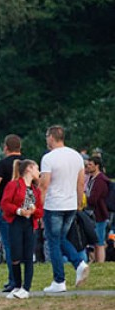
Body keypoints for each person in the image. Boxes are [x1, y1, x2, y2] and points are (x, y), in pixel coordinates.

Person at [39, 125, 89, 293]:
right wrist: (79, 201)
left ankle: (59, 280)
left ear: (51, 137)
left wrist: (40, 206)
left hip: (54, 204)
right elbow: (81, 182)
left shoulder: (48, 158)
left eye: (47, 136)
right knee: (60, 238)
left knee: (53, 241)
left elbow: (44, 185)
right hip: (70, 203)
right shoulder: (76, 156)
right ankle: (78, 263)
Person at [0, 159, 44, 299]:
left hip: (29, 224)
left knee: (28, 256)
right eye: (37, 169)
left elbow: (40, 211)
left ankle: (26, 287)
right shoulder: (13, 185)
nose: (39, 172)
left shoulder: (35, 190)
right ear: (29, 169)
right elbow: (5, 203)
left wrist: (34, 211)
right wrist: (19, 211)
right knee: (15, 255)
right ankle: (17, 285)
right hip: (16, 222)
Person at [0, 134, 26, 292]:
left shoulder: (2, 164)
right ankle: (24, 279)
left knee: (9, 246)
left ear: (6, 148)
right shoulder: (26, 163)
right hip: (25, 208)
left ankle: (14, 280)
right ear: (20, 148)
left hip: (7, 209)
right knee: (25, 244)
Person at [84, 157, 110, 263]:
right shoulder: (92, 178)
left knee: (99, 241)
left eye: (90, 165)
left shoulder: (100, 180)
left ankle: (100, 262)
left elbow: (93, 198)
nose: (87, 167)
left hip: (99, 214)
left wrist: (84, 198)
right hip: (93, 214)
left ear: (97, 166)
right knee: (95, 241)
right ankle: (96, 261)